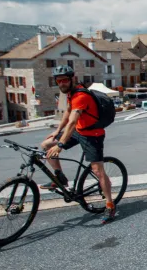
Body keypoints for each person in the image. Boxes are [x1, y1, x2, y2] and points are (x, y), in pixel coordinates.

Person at [41, 65, 115, 224]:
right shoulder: (71, 94)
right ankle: (60, 178)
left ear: (72, 79)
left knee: (97, 170)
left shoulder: (81, 95)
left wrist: (60, 145)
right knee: (46, 145)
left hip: (92, 135)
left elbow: (73, 121)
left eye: (65, 80)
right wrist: (57, 131)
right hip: (79, 132)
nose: (62, 83)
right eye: (58, 81)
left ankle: (109, 204)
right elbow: (68, 112)